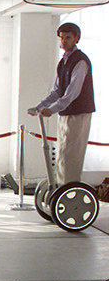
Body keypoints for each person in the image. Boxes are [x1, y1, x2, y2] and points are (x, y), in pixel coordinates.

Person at [27, 22, 94, 184]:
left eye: (68, 38)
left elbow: (73, 92)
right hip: (66, 113)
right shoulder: (63, 62)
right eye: (62, 38)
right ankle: (61, 187)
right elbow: (57, 91)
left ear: (76, 39)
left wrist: (52, 109)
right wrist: (40, 106)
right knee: (62, 154)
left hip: (79, 113)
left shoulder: (80, 61)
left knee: (72, 155)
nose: (64, 42)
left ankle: (70, 191)